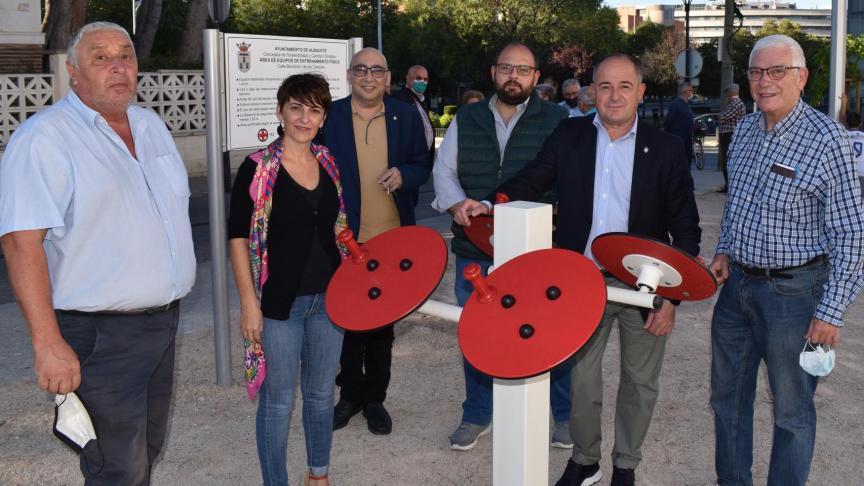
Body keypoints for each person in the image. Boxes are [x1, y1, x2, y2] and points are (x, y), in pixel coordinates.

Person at [456, 53, 701, 486]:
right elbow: (531, 179)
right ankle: (585, 460)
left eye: (625, 86)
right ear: (592, 92)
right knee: (582, 380)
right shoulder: (569, 135)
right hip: (581, 281)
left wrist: (671, 297)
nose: (614, 95)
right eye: (604, 86)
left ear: (641, 92)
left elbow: (685, 225)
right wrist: (490, 203)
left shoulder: (664, 149)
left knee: (640, 383)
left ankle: (625, 466)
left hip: (645, 285)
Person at [0, 22, 196, 485]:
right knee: (115, 467)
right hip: (98, 336)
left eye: (125, 56)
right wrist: (48, 345)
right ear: (74, 72)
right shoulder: (44, 138)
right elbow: (19, 242)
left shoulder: (151, 126)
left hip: (163, 323)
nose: (118, 67)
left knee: (145, 451)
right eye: (101, 58)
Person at [708, 35, 864, 486]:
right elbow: (738, 204)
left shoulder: (826, 140)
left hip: (794, 295)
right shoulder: (746, 133)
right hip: (736, 288)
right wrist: (723, 249)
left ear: (801, 77)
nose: (764, 81)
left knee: (791, 411)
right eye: (757, 72)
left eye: (777, 71)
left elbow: (851, 234)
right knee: (726, 399)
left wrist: (830, 314)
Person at [432, 41, 570, 451]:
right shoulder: (468, 117)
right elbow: (445, 169)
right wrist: (457, 204)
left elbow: (566, 179)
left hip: (535, 251)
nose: (514, 76)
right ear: (494, 72)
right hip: (475, 250)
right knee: (476, 334)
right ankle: (477, 414)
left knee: (549, 333)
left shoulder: (558, 119)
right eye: (507, 68)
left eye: (524, 70)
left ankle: (563, 415)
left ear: (536, 77)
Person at [228, 73, 346, 486]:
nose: (304, 117)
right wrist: (248, 304)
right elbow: (239, 237)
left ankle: (318, 476)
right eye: (296, 107)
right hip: (280, 303)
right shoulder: (257, 168)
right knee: (278, 402)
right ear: (280, 111)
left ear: (323, 117)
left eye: (314, 109)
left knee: (319, 394)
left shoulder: (329, 162)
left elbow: (339, 228)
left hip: (331, 300)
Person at [321, 47, 430, 436]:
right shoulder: (329, 116)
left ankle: (376, 399)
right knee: (348, 324)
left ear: (388, 77)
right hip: (344, 241)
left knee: (383, 328)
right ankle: (349, 395)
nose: (369, 77)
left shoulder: (405, 116)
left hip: (392, 242)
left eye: (377, 71)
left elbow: (423, 162)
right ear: (349, 75)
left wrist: (405, 174)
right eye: (361, 69)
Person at [391, 64, 435, 159]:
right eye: (418, 78)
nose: (422, 82)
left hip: (422, 160)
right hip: (407, 162)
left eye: (425, 79)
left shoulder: (422, 102)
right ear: (408, 78)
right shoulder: (399, 99)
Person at [716, 83, 746, 193]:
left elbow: (723, 117)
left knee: (727, 160)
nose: (726, 95)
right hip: (729, 134)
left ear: (731, 92)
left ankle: (729, 186)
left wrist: (720, 116)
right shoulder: (734, 103)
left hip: (729, 134)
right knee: (727, 160)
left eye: (727, 92)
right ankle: (728, 185)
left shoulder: (735, 104)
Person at [663, 82, 695, 164]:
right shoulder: (675, 104)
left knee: (687, 161)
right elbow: (667, 122)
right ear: (684, 91)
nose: (692, 92)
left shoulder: (686, 104)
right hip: (678, 139)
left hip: (687, 139)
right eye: (690, 90)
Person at [845, 112, 864, 194]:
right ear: (860, 124)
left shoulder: (844, 135)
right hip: (862, 172)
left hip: (848, 172)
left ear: (846, 123)